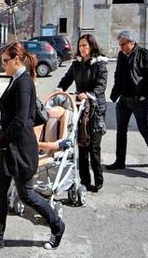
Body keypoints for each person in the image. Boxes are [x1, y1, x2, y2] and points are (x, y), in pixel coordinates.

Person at [0, 41, 66, 251]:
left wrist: (3, 139)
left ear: (16, 60)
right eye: (2, 60)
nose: (2, 64)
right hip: (7, 148)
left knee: (26, 194)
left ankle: (57, 225)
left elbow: (22, 120)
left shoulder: (24, 83)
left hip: (20, 150)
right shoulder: (15, 79)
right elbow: (9, 113)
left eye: (6, 60)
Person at [55, 33, 108, 191]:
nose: (82, 48)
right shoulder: (77, 64)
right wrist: (59, 90)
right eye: (80, 46)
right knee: (82, 145)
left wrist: (89, 94)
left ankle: (98, 180)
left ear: (91, 47)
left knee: (94, 147)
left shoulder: (100, 64)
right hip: (80, 108)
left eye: (85, 45)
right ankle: (84, 181)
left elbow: (101, 85)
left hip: (96, 109)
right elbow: (66, 79)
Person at [106, 30, 148, 170]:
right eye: (120, 45)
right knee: (121, 131)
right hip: (123, 99)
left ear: (131, 42)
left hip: (138, 100)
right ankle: (120, 161)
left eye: (123, 44)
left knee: (144, 129)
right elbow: (118, 75)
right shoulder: (121, 55)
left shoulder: (145, 54)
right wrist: (115, 94)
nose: (121, 47)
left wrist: (145, 95)